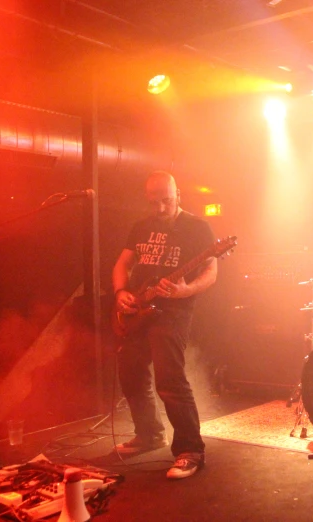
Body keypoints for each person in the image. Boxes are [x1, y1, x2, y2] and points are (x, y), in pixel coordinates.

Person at [112, 170, 217, 480]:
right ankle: (149, 434)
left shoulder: (198, 227)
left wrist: (185, 290)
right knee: (130, 371)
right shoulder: (141, 226)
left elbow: (211, 271)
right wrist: (120, 293)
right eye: (154, 203)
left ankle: (190, 450)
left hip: (173, 312)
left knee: (169, 379)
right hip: (138, 308)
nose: (160, 209)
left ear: (178, 196)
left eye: (166, 201)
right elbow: (122, 263)